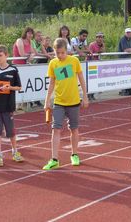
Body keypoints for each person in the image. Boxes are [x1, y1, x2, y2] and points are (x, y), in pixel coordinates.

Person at [42, 38, 89, 170]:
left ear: (67, 51)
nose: (60, 55)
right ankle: (54, 159)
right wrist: (47, 101)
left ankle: (74, 154)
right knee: (55, 128)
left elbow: (81, 79)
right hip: (59, 102)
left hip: (74, 101)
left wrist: (85, 97)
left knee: (73, 128)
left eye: (62, 53)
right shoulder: (53, 63)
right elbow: (51, 83)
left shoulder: (74, 61)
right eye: (57, 53)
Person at [0, 45, 24, 167]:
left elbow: (19, 87)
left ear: (6, 55)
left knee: (10, 131)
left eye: (0, 55)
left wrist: (10, 87)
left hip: (8, 105)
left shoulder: (13, 70)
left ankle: (15, 152)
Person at [118, 28, 131, 96]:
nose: (128, 34)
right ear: (125, 33)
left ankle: (129, 89)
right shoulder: (123, 39)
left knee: (129, 74)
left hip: (129, 59)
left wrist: (130, 49)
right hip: (122, 59)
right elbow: (125, 49)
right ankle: (124, 89)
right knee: (123, 74)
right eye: (127, 32)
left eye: (130, 32)